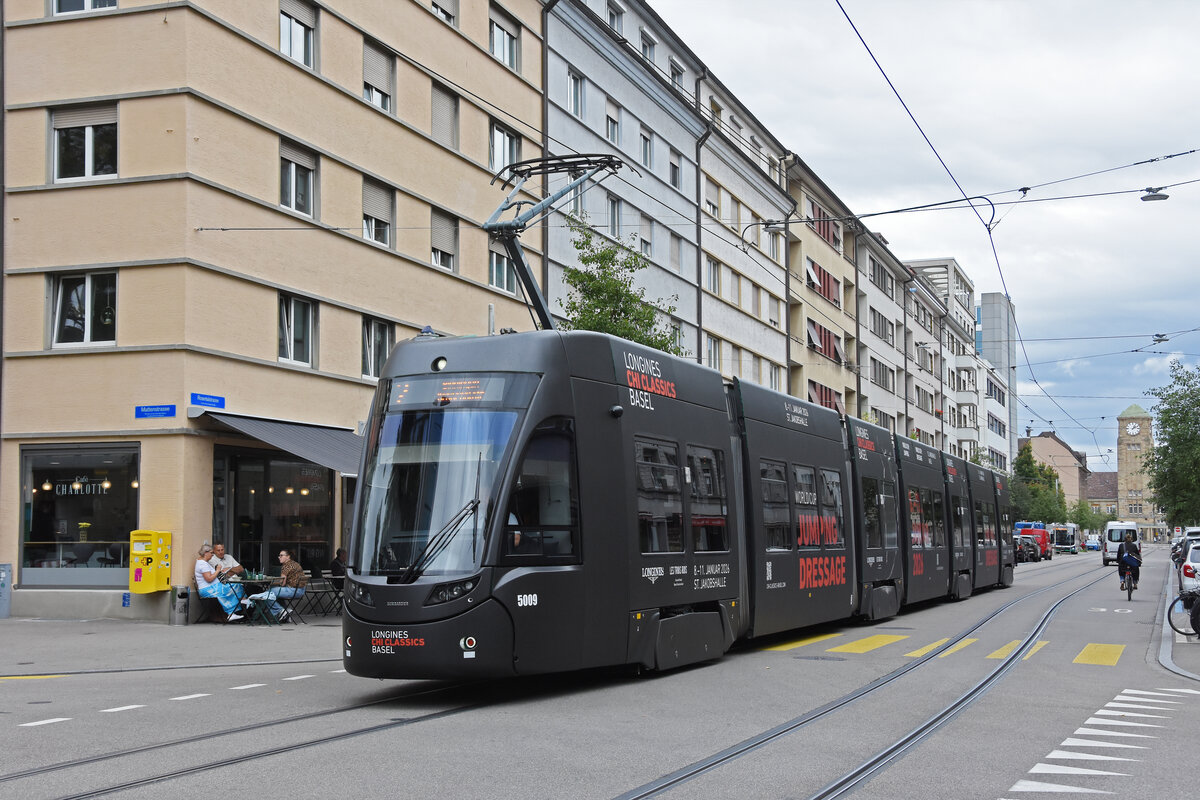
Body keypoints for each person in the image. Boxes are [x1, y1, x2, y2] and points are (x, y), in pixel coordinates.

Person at [247, 549, 306, 621]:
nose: (279, 557)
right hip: (300, 591)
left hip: (292, 591)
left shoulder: (286, 566)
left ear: (288, 556)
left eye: (281, 555)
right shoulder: (296, 564)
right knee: (273, 593)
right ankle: (285, 610)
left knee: (268, 594)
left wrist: (274, 582)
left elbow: (282, 583)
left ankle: (280, 611)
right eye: (279, 556)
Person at [194, 544, 247, 622]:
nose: (212, 555)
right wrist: (218, 570)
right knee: (234, 586)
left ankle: (235, 608)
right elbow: (209, 579)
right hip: (208, 590)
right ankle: (238, 604)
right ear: (205, 553)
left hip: (212, 587)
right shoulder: (202, 564)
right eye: (211, 553)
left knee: (235, 585)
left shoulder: (203, 562)